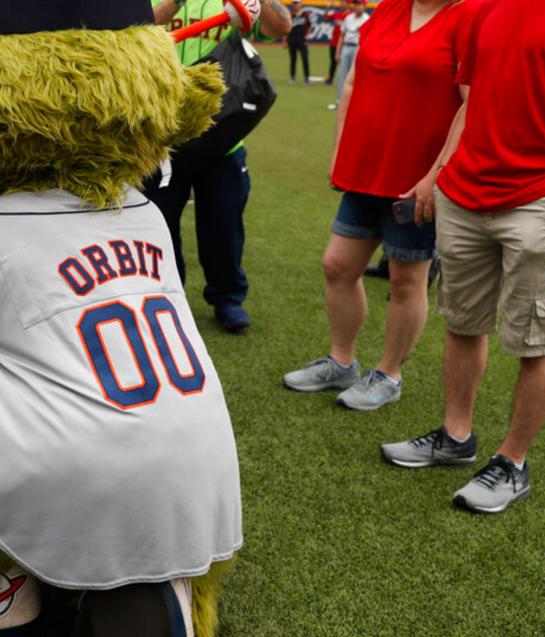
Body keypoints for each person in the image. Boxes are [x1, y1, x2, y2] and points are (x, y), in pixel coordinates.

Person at [381, 0, 545, 514]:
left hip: (538, 201)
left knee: (536, 340)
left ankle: (512, 462)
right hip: (465, 195)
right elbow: (472, 102)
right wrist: (442, 176)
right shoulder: (478, 9)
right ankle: (455, 436)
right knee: (463, 323)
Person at [282, 0, 474, 412]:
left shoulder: (465, 18)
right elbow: (352, 83)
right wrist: (340, 150)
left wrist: (435, 176)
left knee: (406, 281)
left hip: (414, 180)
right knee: (338, 265)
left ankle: (389, 374)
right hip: (366, 170)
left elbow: (469, 106)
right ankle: (341, 361)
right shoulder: (388, 10)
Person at [143, 0, 292, 333]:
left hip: (223, 135)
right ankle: (169, 296)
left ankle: (228, 298)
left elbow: (280, 27)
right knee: (159, 224)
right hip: (162, 135)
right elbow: (140, 24)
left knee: (224, 221)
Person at [330, 0, 368, 109]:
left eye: (359, 4)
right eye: (355, 4)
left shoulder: (367, 19)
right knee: (342, 75)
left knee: (357, 77)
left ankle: (354, 103)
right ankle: (339, 101)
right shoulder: (348, 18)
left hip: (358, 48)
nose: (357, 7)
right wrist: (338, 51)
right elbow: (342, 35)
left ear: (364, 6)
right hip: (346, 46)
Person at [285, 0, 313, 84]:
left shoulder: (305, 15)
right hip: (292, 40)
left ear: (301, 4)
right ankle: (292, 78)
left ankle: (306, 78)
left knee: (305, 58)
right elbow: (286, 28)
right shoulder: (290, 15)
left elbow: (310, 26)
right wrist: (285, 40)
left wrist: (307, 35)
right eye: (294, 3)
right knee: (293, 59)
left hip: (302, 41)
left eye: (297, 3)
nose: (296, 5)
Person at [324, 0, 347, 84]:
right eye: (341, 2)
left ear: (348, 4)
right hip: (334, 42)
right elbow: (326, 18)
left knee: (344, 63)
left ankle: (344, 80)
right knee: (333, 61)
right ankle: (330, 78)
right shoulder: (337, 14)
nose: (342, 4)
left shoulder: (350, 15)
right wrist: (327, 8)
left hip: (344, 43)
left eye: (344, 2)